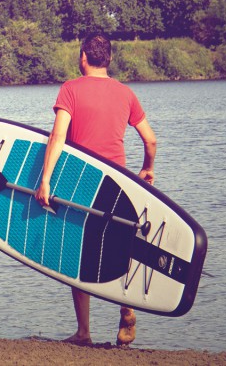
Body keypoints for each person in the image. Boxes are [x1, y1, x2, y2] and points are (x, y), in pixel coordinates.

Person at [33, 33, 157, 347]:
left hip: (82, 182)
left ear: (83, 57)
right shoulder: (126, 93)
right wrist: (148, 169)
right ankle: (126, 307)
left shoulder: (70, 89)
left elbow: (58, 137)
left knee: (79, 254)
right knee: (118, 247)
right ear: (109, 59)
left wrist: (45, 180)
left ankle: (84, 332)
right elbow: (151, 139)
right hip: (119, 184)